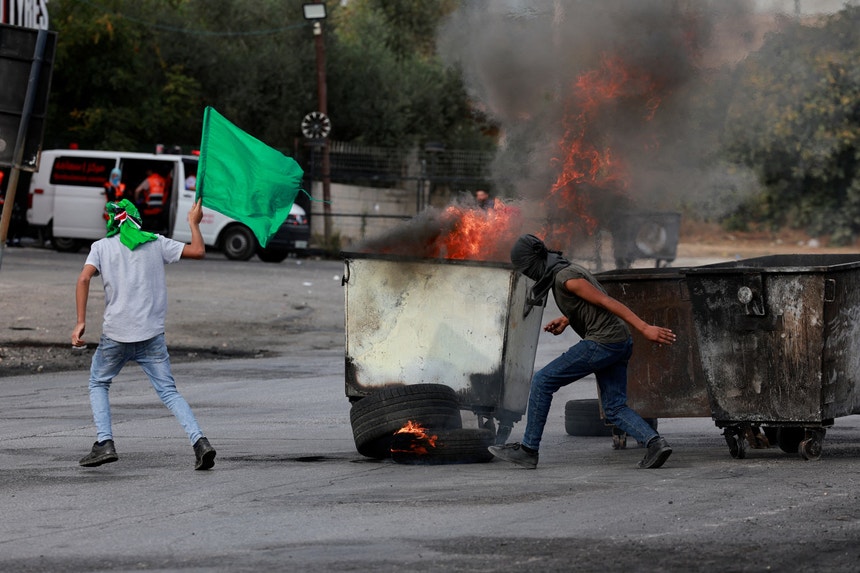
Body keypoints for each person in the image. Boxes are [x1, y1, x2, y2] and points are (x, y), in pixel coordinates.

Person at [488, 234, 676, 470]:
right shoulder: (564, 269)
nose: (529, 275)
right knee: (614, 408)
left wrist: (645, 328)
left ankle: (528, 449)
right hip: (619, 341)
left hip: (603, 343)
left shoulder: (565, 278)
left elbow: (606, 302)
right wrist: (568, 319)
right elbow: (589, 303)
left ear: (534, 262)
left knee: (542, 381)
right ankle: (656, 443)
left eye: (527, 269)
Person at [72, 198, 216, 471]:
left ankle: (105, 443)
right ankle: (200, 442)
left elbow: (83, 279)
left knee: (99, 383)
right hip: (151, 336)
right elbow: (198, 251)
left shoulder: (101, 247)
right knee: (169, 392)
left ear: (112, 222)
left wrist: (80, 322)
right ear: (137, 219)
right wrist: (193, 223)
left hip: (115, 335)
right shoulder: (155, 242)